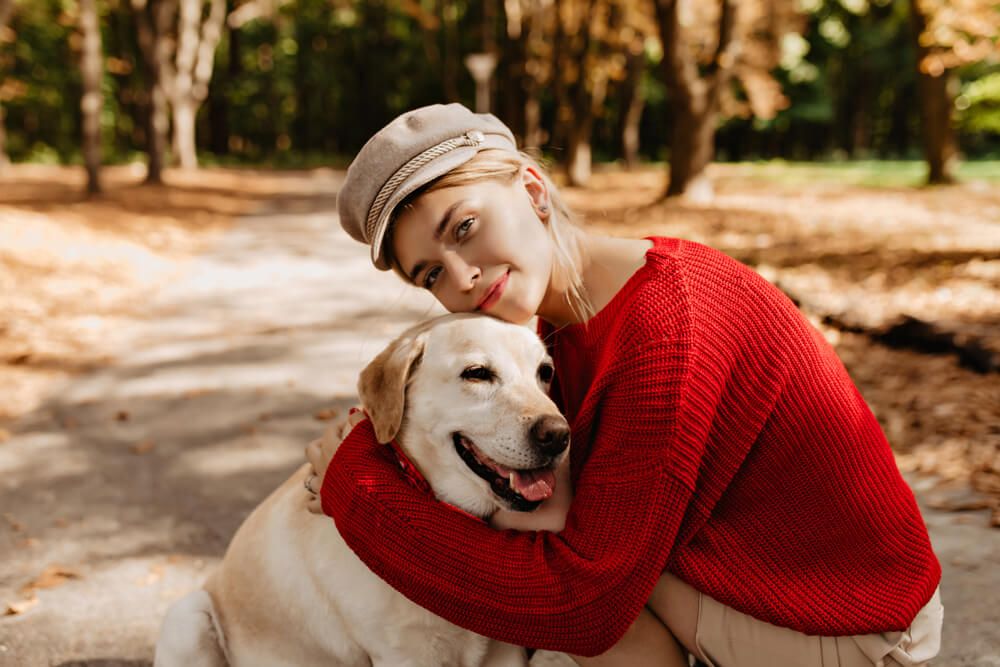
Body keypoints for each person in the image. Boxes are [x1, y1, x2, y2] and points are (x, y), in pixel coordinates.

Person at [302, 103, 943, 667]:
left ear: (532, 188)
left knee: (590, 603)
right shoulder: (557, 327)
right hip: (746, 578)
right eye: (430, 273)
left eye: (464, 227)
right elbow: (546, 510)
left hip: (852, 626)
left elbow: (585, 608)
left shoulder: (670, 328)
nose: (463, 277)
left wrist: (359, 490)